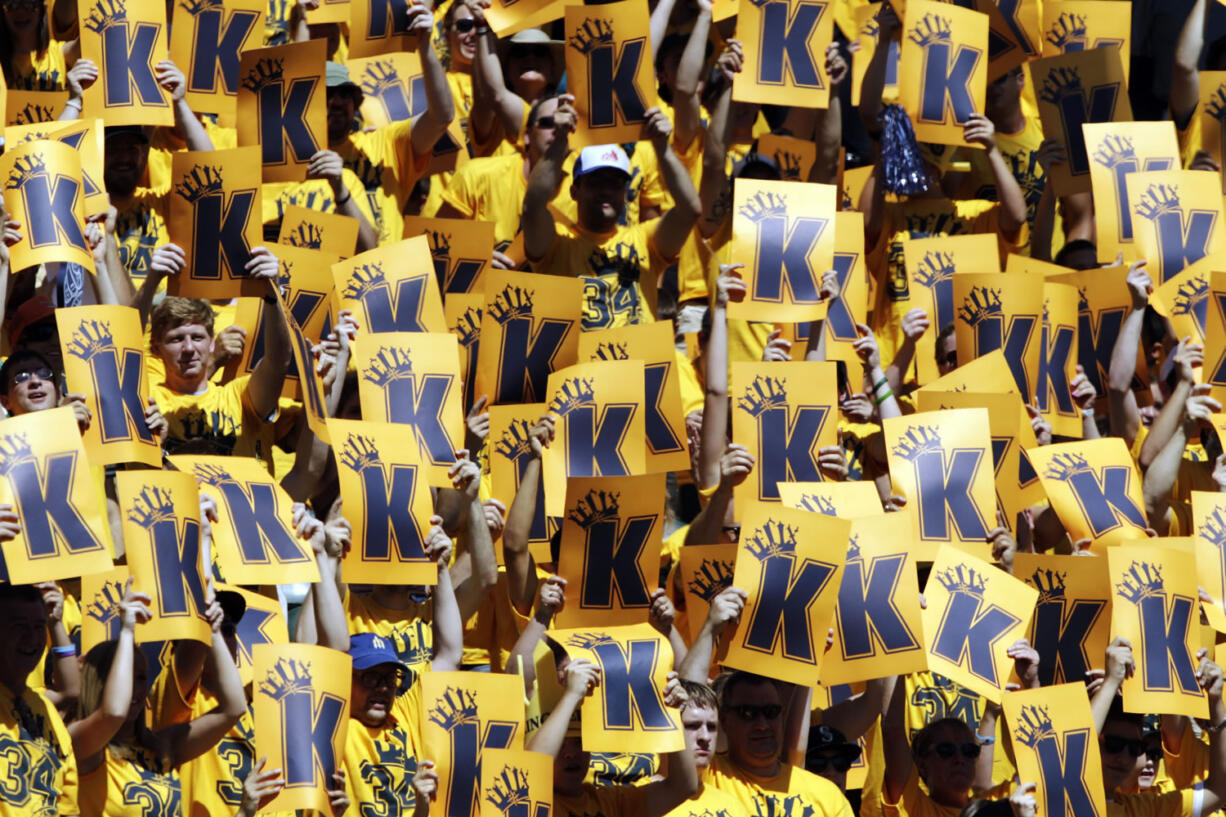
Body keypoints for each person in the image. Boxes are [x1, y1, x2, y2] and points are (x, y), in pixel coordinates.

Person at [522, 98, 700, 329]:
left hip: (636, 363)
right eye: (596, 181)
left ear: (625, 193)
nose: (606, 190)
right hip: (580, 364)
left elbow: (690, 209)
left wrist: (662, 147)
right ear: (575, 191)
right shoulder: (557, 243)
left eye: (615, 183)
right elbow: (533, 207)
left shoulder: (646, 241)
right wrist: (560, 143)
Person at [145, 248, 292, 469]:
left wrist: (272, 296)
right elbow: (117, 349)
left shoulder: (239, 396)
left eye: (197, 337)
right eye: (176, 340)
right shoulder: (148, 399)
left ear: (212, 342)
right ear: (156, 348)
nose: (188, 348)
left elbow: (278, 361)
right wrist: (152, 280)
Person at [528, 658, 700, 817]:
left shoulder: (611, 803)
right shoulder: (528, 802)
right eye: (560, 745)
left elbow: (683, 787)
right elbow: (529, 771)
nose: (571, 753)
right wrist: (571, 695)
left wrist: (672, 712)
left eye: (579, 742)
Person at [0, 581, 80, 816]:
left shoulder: (45, 708)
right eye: (19, 626)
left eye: (38, 626)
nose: (32, 638)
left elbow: (68, 808)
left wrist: (54, 622)